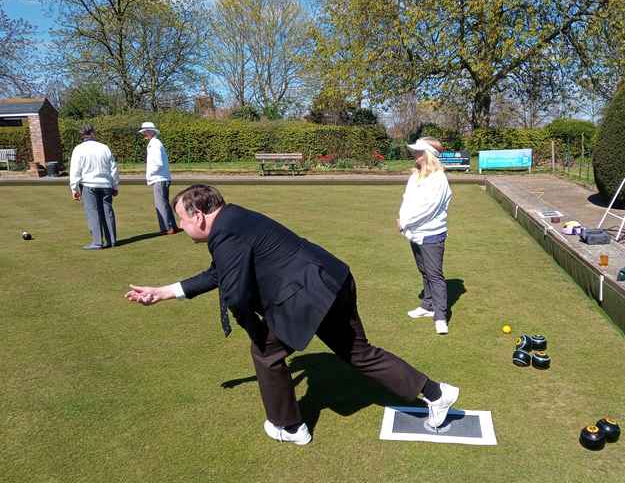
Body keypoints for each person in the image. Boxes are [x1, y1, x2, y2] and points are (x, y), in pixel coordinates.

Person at [125, 184, 459, 446]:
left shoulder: (226, 231)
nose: (181, 227)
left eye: (182, 220)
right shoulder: (234, 219)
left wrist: (257, 333)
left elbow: (236, 295)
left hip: (307, 293)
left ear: (198, 214)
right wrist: (164, 291)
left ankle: (290, 426)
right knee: (359, 352)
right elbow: (219, 274)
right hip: (333, 277)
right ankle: (437, 393)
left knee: (266, 354)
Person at [398, 137, 453, 335]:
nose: (415, 154)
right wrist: (403, 220)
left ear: (428, 155)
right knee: (424, 271)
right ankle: (427, 306)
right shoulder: (416, 175)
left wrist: (405, 222)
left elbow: (428, 209)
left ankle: (440, 316)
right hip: (414, 232)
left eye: (419, 151)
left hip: (431, 234)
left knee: (435, 275)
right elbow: (407, 200)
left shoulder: (439, 179)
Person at [69, 124, 119, 250]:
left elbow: (75, 170)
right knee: (108, 212)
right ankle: (112, 240)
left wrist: (74, 188)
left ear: (82, 135)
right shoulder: (104, 148)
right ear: (93, 133)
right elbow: (113, 168)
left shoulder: (78, 149)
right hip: (106, 184)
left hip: (88, 185)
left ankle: (97, 242)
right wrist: (115, 185)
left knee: (93, 213)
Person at [139, 121, 178, 235]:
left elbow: (157, 163)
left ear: (151, 131)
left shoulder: (155, 144)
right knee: (164, 202)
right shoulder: (155, 143)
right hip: (162, 177)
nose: (144, 134)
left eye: (145, 132)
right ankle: (172, 226)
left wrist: (150, 175)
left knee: (160, 204)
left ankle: (167, 228)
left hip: (159, 178)